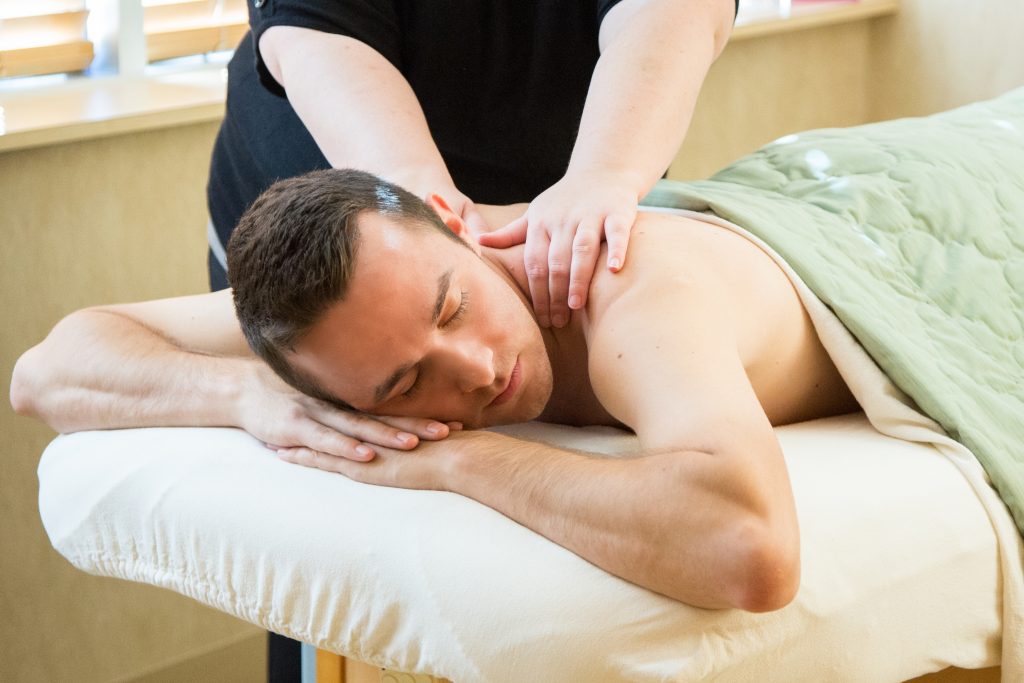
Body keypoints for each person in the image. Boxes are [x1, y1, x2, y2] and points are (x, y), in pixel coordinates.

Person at [12, 169, 861, 612]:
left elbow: (749, 548)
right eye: (408, 382)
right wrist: (247, 395)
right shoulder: (343, 332)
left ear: (454, 224)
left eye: (454, 305)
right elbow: (46, 370)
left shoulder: (628, 293)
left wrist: (463, 462)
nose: (479, 369)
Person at [208, 0, 738, 330]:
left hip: (581, 189)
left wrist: (604, 176)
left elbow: (673, 11)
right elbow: (319, 37)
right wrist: (421, 199)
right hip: (338, 203)